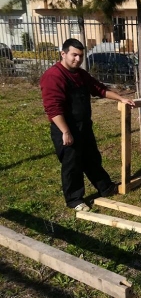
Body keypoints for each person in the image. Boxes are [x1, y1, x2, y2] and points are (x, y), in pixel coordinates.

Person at [40, 38, 135, 212]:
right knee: (72, 165)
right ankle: (75, 199)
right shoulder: (53, 76)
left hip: (84, 126)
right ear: (63, 54)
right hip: (66, 129)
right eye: (74, 55)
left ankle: (106, 188)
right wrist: (65, 132)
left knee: (92, 158)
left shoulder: (80, 74)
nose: (78, 59)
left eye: (81, 56)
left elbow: (98, 88)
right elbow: (53, 109)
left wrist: (121, 98)